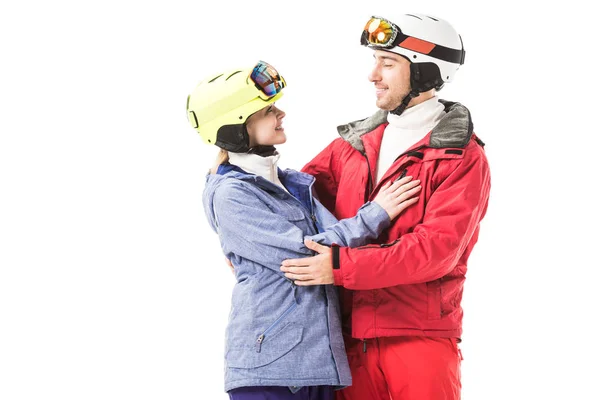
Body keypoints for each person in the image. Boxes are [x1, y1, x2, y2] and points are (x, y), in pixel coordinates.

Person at [279, 14, 491, 400]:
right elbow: (292, 201)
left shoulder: (460, 156)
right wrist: (235, 171)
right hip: (346, 342)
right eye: (375, 60)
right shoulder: (352, 144)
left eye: (388, 63)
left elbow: (435, 251)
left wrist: (340, 266)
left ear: (427, 72)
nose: (373, 75)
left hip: (418, 341)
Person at [186, 60, 421, 400]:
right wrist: (377, 213)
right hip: (269, 372)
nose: (280, 114)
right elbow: (310, 254)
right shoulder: (231, 195)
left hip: (319, 366)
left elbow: (338, 244)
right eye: (268, 110)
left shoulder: (292, 183)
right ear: (235, 127)